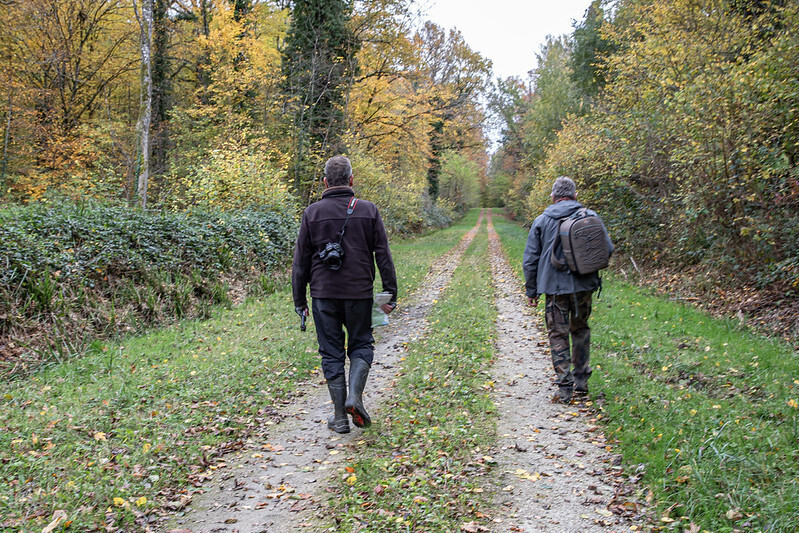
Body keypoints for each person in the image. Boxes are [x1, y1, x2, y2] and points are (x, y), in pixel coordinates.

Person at [292, 155, 397, 433]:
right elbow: (383, 255)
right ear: (351, 180)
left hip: (323, 296)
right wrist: (390, 292)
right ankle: (355, 397)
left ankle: (339, 417)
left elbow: (300, 262)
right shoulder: (369, 210)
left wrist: (299, 301)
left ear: (325, 182)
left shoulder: (311, 213)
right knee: (362, 343)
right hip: (360, 293)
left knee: (331, 352)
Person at [523, 176, 614, 403]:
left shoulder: (542, 220)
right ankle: (581, 382)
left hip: (554, 289)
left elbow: (530, 260)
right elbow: (608, 249)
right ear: (575, 196)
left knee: (558, 334)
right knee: (580, 330)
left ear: (553, 197)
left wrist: (531, 291)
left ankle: (565, 389)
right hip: (584, 287)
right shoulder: (590, 217)